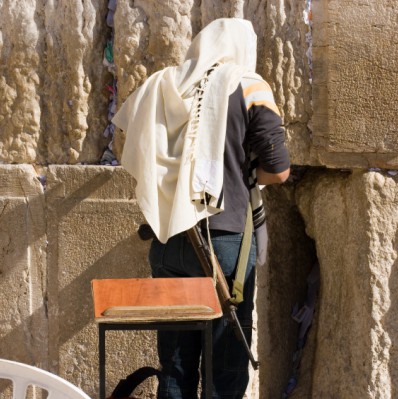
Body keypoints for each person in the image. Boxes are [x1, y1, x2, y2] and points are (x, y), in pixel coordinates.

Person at [112, 18, 290, 399]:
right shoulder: (248, 84)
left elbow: (132, 134)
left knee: (175, 367)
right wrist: (244, 171)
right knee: (224, 369)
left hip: (169, 239)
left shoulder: (164, 84)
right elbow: (279, 170)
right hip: (223, 243)